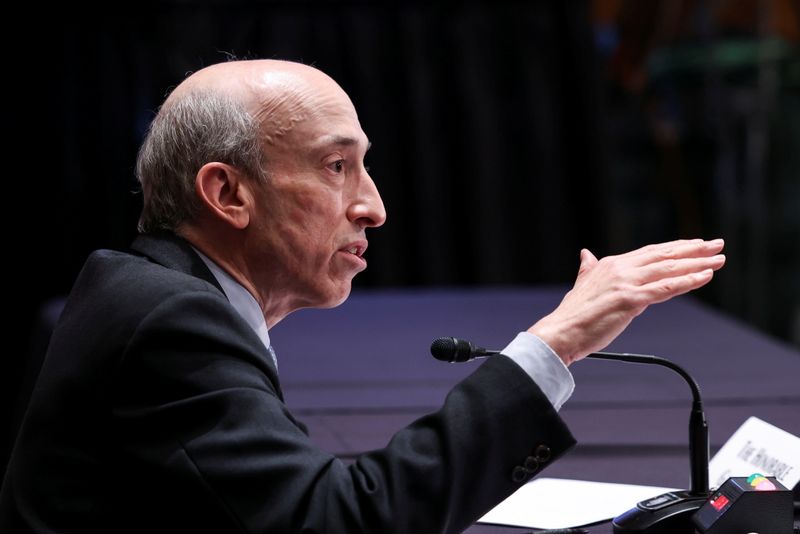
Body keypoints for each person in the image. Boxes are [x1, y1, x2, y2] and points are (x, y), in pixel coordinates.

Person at [0, 59, 725, 533]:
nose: (373, 207)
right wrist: (557, 342)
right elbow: (341, 525)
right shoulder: (170, 322)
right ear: (227, 192)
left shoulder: (145, 287)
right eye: (336, 167)